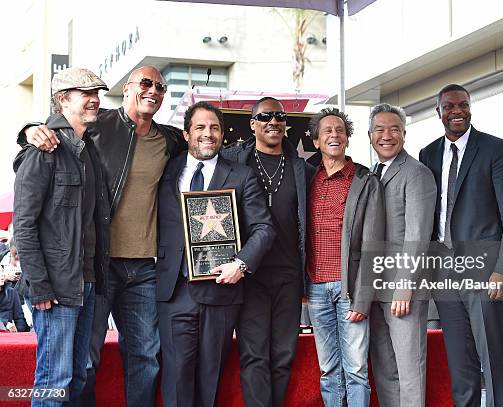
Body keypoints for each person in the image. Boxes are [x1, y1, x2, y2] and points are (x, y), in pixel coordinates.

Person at [20, 66, 185, 406]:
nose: (154, 90)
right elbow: (26, 215)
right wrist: (29, 132)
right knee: (66, 372)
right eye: (145, 83)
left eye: (160, 85)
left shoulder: (167, 141)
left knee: (126, 360)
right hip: (80, 273)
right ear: (127, 89)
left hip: (124, 272)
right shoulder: (80, 133)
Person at [155, 101, 275, 406]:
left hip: (221, 291)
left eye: (215, 128)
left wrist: (241, 264)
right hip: (173, 289)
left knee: (209, 378)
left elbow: (264, 228)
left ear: (223, 134)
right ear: (185, 134)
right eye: (200, 127)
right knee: (176, 375)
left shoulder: (241, 175)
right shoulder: (165, 169)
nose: (208, 134)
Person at [418, 84, 503, 407]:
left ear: (470, 108)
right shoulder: (429, 154)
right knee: (460, 363)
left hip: (486, 272)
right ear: (439, 112)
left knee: (493, 361)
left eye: (463, 105)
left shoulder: (496, 150)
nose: (457, 111)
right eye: (449, 106)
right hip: (444, 272)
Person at [13, 67, 111, 405]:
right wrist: (39, 285)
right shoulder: (43, 150)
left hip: (86, 283)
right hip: (54, 288)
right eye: (86, 94)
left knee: (77, 374)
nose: (95, 99)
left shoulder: (88, 151)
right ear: (62, 100)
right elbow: (23, 225)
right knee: (54, 379)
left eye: (97, 93)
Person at [222, 96, 315, 407]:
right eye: (265, 117)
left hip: (289, 275)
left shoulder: (303, 168)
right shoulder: (234, 161)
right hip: (250, 274)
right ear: (252, 124)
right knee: (254, 355)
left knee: (283, 356)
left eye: (279, 116)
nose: (273, 121)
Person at [306, 108, 384, 407]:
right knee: (328, 370)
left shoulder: (364, 180)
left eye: (340, 130)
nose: (334, 135)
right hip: (316, 288)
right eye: (327, 131)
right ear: (316, 141)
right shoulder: (308, 181)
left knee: (356, 370)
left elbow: (374, 243)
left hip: (350, 288)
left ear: (348, 139)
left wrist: (364, 297)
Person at [367, 103, 436, 407]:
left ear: (404, 134)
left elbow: (418, 235)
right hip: (376, 288)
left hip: (403, 289)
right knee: (384, 369)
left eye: (394, 129)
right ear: (370, 135)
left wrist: (406, 285)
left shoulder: (416, 173)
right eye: (380, 129)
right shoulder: (371, 173)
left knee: (409, 370)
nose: (387, 135)